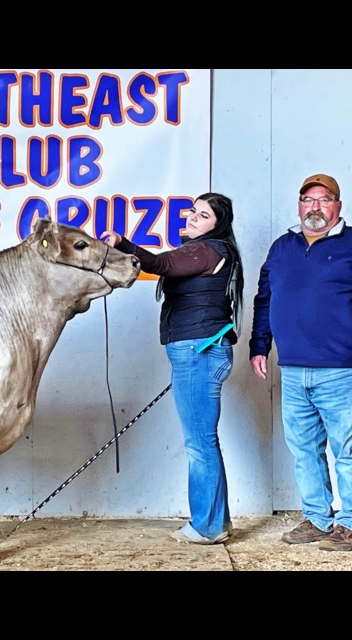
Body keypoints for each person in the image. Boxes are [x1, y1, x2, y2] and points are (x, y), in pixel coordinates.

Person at [249, 174, 352, 552]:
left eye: (323, 199)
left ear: (338, 206)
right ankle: (316, 517)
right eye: (307, 199)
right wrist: (259, 344)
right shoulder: (282, 247)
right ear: (299, 205)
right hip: (293, 368)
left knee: (348, 449)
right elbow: (265, 299)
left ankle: (350, 524)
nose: (314, 207)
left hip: (344, 370)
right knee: (303, 449)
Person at [102, 192, 244, 545]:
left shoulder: (207, 250)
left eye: (204, 215)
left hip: (199, 350)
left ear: (218, 224)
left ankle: (207, 527)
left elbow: (160, 264)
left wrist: (123, 244)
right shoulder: (206, 251)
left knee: (200, 444)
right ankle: (216, 522)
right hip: (200, 350)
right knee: (204, 441)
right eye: (193, 211)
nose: (194, 218)